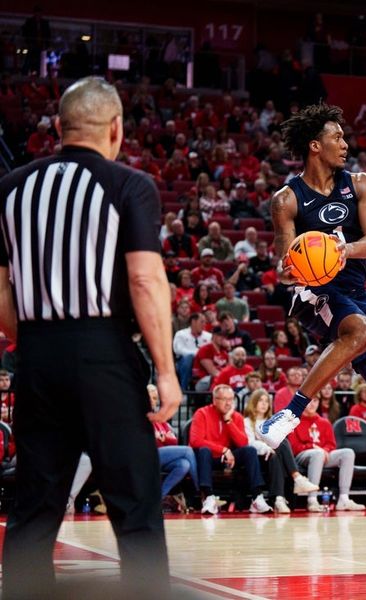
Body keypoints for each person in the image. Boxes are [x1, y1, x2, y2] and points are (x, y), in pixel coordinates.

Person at [0, 76, 178, 598]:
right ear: (117, 129)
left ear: (59, 127)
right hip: (103, 355)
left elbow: (1, 295)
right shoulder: (128, 185)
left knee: (36, 503)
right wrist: (166, 372)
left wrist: (35, 338)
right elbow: (145, 280)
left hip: (33, 356)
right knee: (134, 500)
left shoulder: (9, 189)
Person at [255, 103, 366, 530]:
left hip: (353, 290)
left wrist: (340, 249)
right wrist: (294, 266)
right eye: (337, 138)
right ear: (315, 146)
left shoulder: (359, 184)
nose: (345, 145)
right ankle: (290, 412)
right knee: (360, 330)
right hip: (312, 293)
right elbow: (284, 262)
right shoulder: (287, 199)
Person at [189, 384, 271, 515]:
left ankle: (257, 498)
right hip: (210, 458)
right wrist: (224, 450)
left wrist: (229, 421)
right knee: (204, 450)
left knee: (249, 450)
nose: (228, 403)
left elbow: (243, 442)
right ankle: (209, 498)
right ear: (214, 400)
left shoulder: (236, 416)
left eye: (231, 399)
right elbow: (195, 441)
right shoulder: (202, 413)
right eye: (224, 399)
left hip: (228, 458)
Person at [242, 389, 318, 514]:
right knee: (280, 443)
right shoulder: (247, 421)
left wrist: (271, 447)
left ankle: (279, 499)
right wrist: (266, 447)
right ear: (253, 402)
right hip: (258, 458)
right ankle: (297, 477)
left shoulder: (273, 419)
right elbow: (249, 443)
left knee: (278, 448)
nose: (264, 404)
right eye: (260, 400)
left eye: (266, 401)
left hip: (272, 456)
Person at [286, 395, 365, 512]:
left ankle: (344, 498)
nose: (312, 404)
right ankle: (312, 500)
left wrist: (325, 451)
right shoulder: (295, 421)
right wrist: (314, 447)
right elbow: (293, 448)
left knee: (348, 453)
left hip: (322, 455)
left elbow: (331, 445)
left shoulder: (325, 422)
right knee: (318, 453)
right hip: (302, 456)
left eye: (316, 401)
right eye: (309, 401)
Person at [173, 312, 211, 390]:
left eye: (205, 322)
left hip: (202, 363)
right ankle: (184, 390)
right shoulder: (181, 334)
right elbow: (178, 350)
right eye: (202, 322)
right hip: (183, 362)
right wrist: (197, 354)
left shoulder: (209, 336)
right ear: (193, 321)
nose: (204, 324)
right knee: (188, 358)